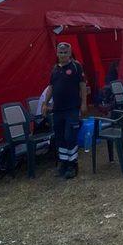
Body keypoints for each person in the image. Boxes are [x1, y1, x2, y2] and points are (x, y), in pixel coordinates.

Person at [42, 42, 87, 179]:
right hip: (58, 110)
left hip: (72, 109)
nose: (62, 55)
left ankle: (73, 165)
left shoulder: (76, 66)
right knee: (60, 137)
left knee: (70, 136)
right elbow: (51, 87)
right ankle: (63, 164)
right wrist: (45, 103)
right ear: (57, 53)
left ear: (69, 53)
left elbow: (82, 85)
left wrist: (84, 103)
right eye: (60, 53)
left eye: (65, 52)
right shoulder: (55, 69)